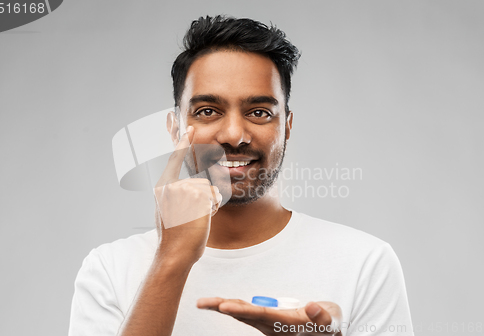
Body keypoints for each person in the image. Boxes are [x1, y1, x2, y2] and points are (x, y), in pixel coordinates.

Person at [68, 15, 414, 336]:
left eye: (259, 112)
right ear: (174, 128)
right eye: (207, 111)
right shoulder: (110, 269)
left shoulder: (364, 262)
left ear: (287, 127)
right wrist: (171, 261)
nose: (234, 135)